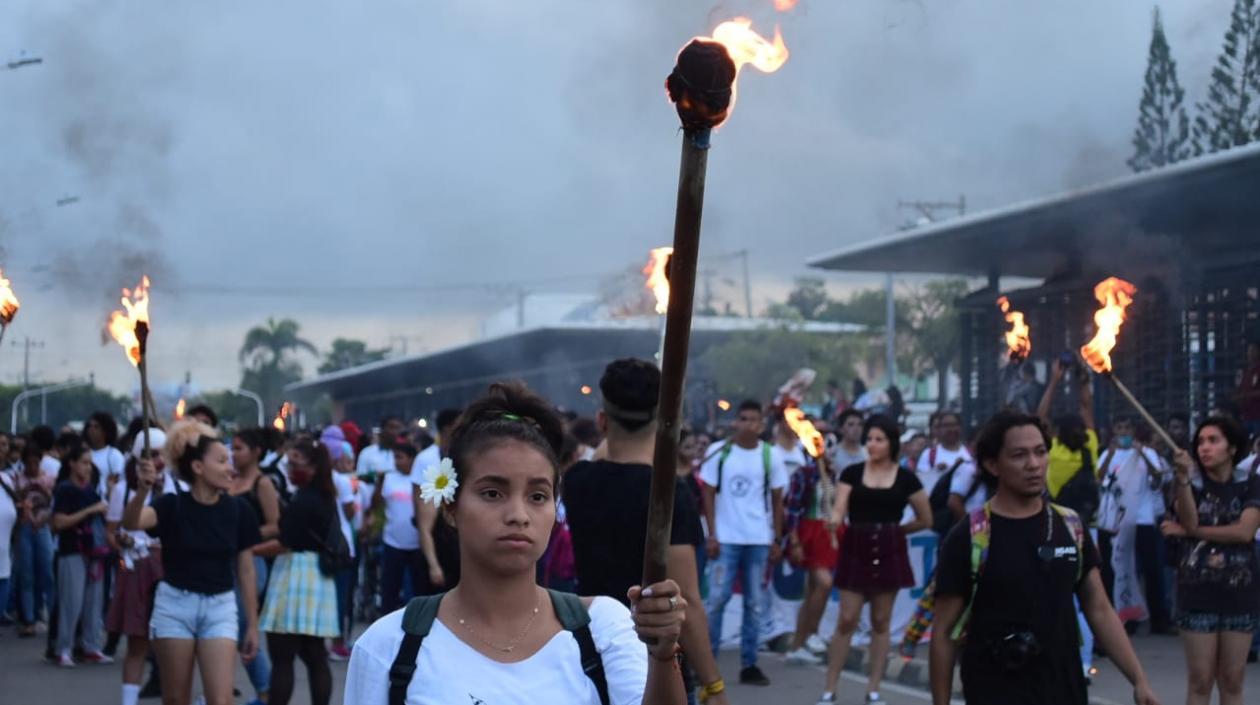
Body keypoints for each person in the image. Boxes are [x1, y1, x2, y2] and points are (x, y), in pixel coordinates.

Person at [344, 381, 689, 705]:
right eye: (492, 493)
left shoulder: (605, 629)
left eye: (538, 496)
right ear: (450, 506)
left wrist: (662, 654)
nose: (518, 515)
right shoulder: (388, 646)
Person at [928, 411, 1159, 705]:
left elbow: (1099, 609)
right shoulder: (970, 537)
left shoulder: (1070, 527)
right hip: (994, 690)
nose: (1034, 465)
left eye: (1040, 452)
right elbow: (945, 632)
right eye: (1019, 455)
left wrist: (1139, 680)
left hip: (1065, 690)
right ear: (992, 464)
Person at [563, 359, 725, 705]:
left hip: (592, 648)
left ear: (602, 421)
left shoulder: (577, 481)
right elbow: (688, 600)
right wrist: (714, 685)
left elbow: (606, 455)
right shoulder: (668, 493)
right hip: (654, 658)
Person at [124, 420, 262, 705]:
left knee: (222, 700)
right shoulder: (171, 505)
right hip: (174, 606)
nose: (230, 468)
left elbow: (246, 570)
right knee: (175, 699)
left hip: (220, 608)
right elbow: (132, 522)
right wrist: (141, 490)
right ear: (198, 467)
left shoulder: (239, 510)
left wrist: (252, 624)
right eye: (222, 460)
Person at [817, 415, 931, 705]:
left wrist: (897, 532)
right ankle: (830, 689)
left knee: (881, 621)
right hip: (857, 545)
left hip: (889, 547)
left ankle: (873, 689)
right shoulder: (852, 473)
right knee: (847, 619)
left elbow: (925, 518)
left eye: (879, 439)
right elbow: (839, 506)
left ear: (891, 442)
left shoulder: (907, 478)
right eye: (869, 439)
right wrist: (834, 518)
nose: (872, 444)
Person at [1160, 415, 1260, 705]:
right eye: (1201, 442)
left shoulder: (1251, 484)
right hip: (1196, 591)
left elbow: (1244, 532)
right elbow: (1188, 519)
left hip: (1240, 592)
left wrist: (1191, 531)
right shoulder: (1189, 483)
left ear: (1231, 448)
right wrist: (1182, 480)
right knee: (1200, 681)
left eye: (1213, 440)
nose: (1205, 447)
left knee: (1232, 681)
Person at [699, 400, 788, 688]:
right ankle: (706, 664)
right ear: (736, 421)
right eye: (744, 418)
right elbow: (708, 494)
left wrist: (776, 538)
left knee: (754, 603)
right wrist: (712, 534)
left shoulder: (769, 455)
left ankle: (749, 664)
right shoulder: (719, 453)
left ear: (761, 424)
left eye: (754, 419)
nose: (748, 424)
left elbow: (777, 500)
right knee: (716, 601)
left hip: (758, 539)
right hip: (726, 540)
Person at [254, 437, 341, 705]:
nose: (290, 469)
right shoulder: (325, 494)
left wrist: (248, 549)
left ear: (313, 465)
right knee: (315, 655)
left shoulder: (305, 498)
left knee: (282, 658)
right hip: (317, 578)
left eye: (296, 463)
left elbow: (283, 543)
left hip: (294, 574)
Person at [106, 431, 173, 705]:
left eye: (161, 454)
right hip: (136, 569)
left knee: (172, 645)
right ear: (137, 458)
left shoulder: (175, 488)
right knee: (137, 643)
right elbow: (111, 531)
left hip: (170, 570)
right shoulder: (123, 490)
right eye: (150, 454)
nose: (157, 460)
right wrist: (123, 543)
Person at [1096, 418, 1171, 634]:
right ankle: (1125, 618)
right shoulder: (1108, 454)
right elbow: (1100, 478)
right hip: (1117, 522)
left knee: (1151, 570)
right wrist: (1109, 454)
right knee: (1118, 568)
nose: (1123, 431)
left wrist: (1144, 455)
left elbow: (1158, 478)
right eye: (1119, 428)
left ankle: (1158, 619)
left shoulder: (1147, 453)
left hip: (1142, 519)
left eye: (1127, 427)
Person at [781, 417, 839, 666]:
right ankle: (812, 634)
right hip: (809, 532)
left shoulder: (832, 472)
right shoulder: (803, 474)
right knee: (824, 583)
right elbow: (792, 509)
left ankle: (798, 646)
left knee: (813, 590)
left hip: (828, 532)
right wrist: (794, 541)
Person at [228, 428, 279, 705]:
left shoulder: (262, 483)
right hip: (226, 562)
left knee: (242, 625)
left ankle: (266, 689)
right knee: (233, 626)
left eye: (239, 448)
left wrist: (247, 539)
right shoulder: (229, 480)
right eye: (232, 448)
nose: (233, 454)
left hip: (253, 561)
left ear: (256, 452)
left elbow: (275, 525)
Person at [50, 442, 112, 667]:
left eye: (89, 463)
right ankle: (63, 648)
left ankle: (91, 646)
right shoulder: (65, 489)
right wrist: (90, 511)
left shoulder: (90, 490)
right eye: (84, 463)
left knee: (93, 602)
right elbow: (58, 522)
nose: (87, 468)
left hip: (93, 552)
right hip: (71, 551)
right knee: (71, 601)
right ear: (72, 464)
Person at [373, 442, 427, 613]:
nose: (396, 462)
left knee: (419, 588)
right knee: (390, 587)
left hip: (418, 542)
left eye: (400, 458)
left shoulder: (422, 479)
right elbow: (376, 504)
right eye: (395, 457)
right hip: (392, 541)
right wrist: (379, 484)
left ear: (412, 459)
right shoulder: (389, 478)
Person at [12, 442, 55, 637]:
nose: (32, 467)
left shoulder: (47, 479)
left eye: (35, 463)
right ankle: (28, 618)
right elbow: (14, 502)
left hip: (43, 526)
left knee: (47, 572)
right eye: (28, 463)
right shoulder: (16, 480)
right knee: (26, 574)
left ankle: (52, 615)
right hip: (25, 528)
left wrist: (42, 489)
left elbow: (54, 503)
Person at [86, 412, 126, 499]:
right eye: (90, 426)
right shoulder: (84, 453)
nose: (91, 430)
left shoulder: (114, 455)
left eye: (96, 427)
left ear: (105, 431)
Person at [357, 416, 405, 481]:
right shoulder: (367, 452)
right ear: (382, 429)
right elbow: (360, 477)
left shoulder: (404, 454)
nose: (394, 431)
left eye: (397, 428)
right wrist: (378, 477)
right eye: (391, 427)